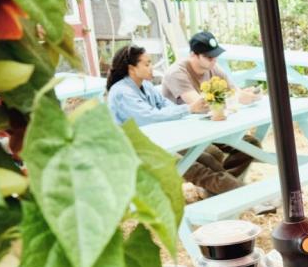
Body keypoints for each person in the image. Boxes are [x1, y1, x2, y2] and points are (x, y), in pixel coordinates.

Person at [105, 45, 253, 198]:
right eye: (147, 64)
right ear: (132, 68)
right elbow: (150, 117)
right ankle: (250, 196)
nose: (152, 68)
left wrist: (188, 110)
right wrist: (188, 109)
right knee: (196, 168)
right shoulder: (122, 92)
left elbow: (165, 106)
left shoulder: (146, 86)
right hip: (139, 152)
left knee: (208, 157)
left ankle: (224, 193)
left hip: (161, 141)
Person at [161, 31, 264, 197]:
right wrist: (234, 98)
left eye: (215, 56)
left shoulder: (213, 68)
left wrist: (247, 96)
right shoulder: (177, 73)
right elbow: (201, 105)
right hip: (184, 134)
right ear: (194, 55)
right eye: (209, 57)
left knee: (250, 144)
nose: (214, 60)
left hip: (211, 128)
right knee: (212, 154)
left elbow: (234, 92)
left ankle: (218, 189)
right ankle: (235, 191)